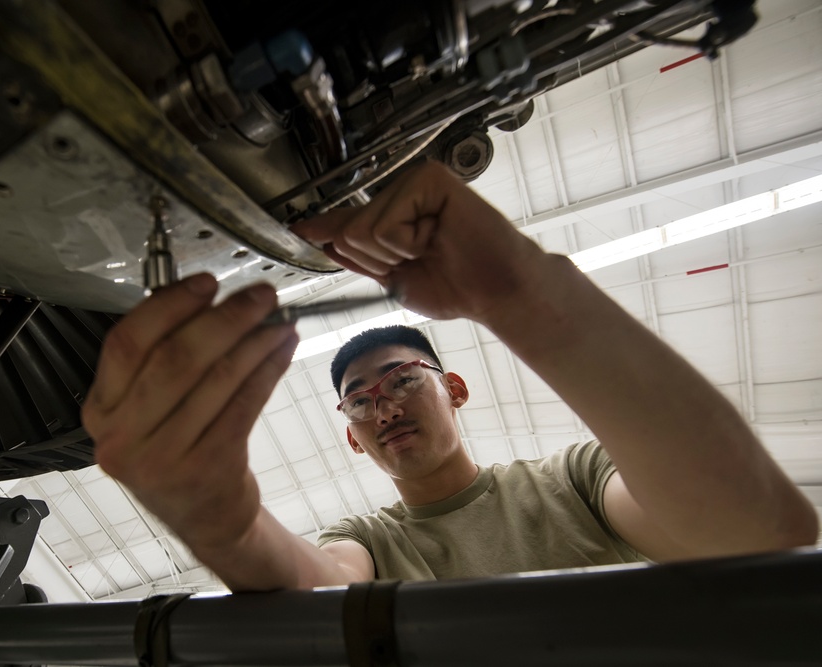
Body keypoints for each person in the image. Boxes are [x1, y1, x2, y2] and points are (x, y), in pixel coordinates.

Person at [82, 162, 818, 591]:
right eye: (361, 400)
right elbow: (317, 584)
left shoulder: (574, 484)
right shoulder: (368, 540)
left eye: (401, 380)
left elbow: (761, 539)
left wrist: (525, 292)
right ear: (351, 439)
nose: (383, 407)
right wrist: (225, 525)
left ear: (454, 388)